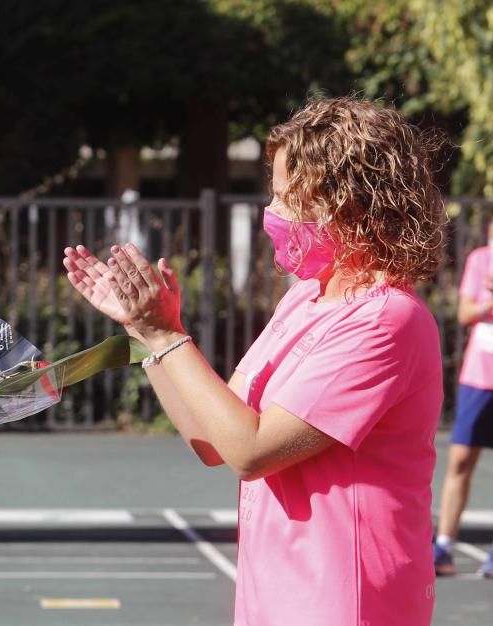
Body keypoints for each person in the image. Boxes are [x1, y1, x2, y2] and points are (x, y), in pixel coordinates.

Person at [65, 97, 446, 626]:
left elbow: (250, 451)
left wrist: (167, 333)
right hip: (278, 595)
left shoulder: (386, 320)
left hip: (346, 602)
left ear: (349, 206)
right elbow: (212, 441)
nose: (275, 213)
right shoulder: (304, 299)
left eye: (289, 199)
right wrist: (147, 335)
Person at [433, 217, 493, 578]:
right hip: (478, 377)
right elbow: (465, 312)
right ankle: (444, 545)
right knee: (460, 461)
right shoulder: (480, 260)